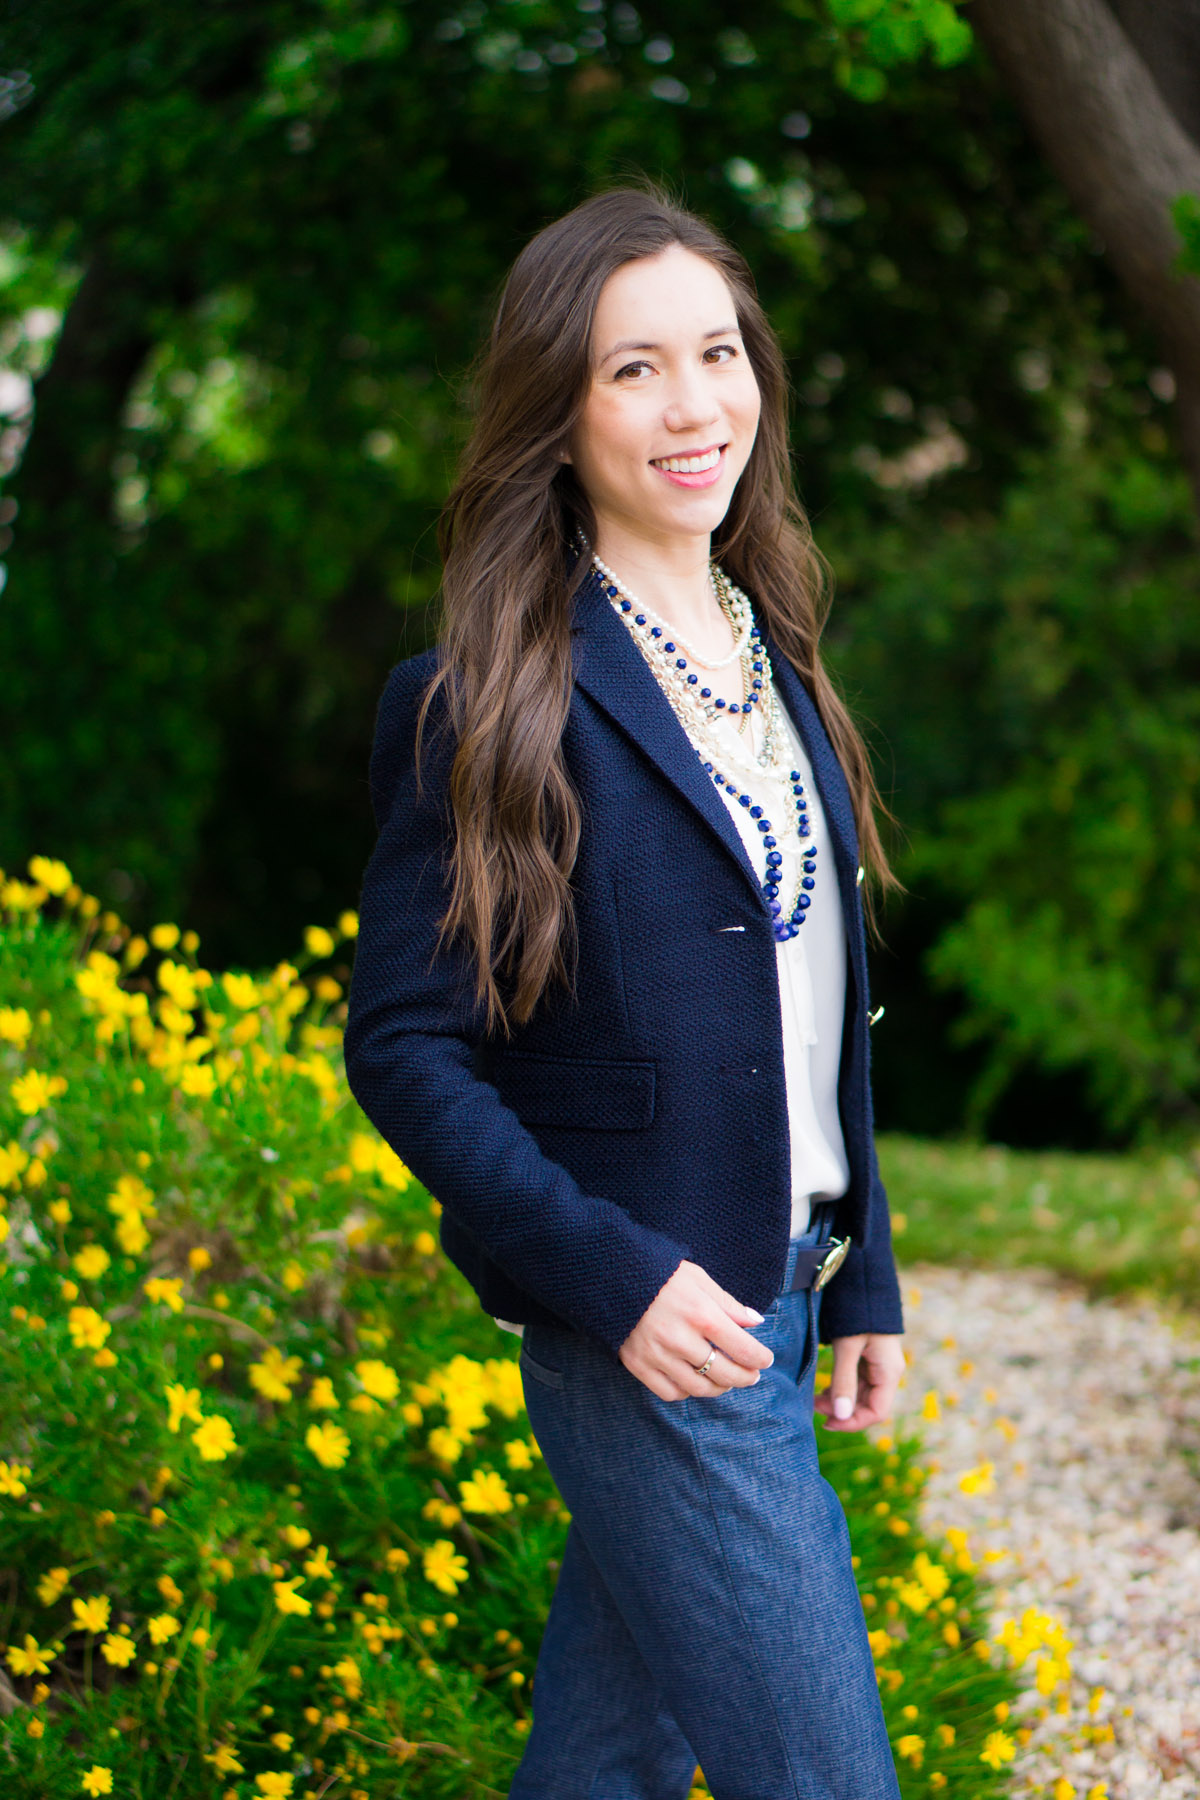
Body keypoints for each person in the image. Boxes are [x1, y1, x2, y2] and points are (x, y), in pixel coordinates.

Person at [343, 185, 907, 1800]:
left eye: (716, 354)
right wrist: (611, 1274)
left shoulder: (778, 658)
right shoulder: (486, 698)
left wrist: (859, 1272)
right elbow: (405, 1043)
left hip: (785, 1292)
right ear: (559, 412)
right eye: (633, 369)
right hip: (655, 1330)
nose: (693, 405)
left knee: (603, 1765)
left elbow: (814, 1005)